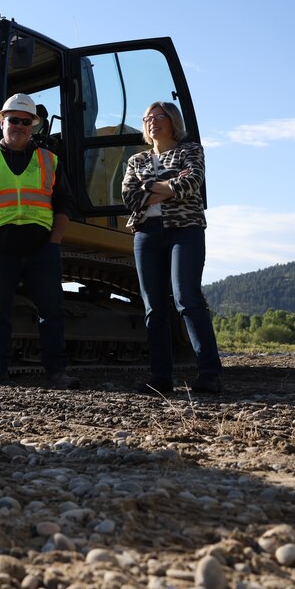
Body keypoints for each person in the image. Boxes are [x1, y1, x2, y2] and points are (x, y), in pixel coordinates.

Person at [0, 93, 79, 389]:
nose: (20, 126)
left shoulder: (49, 161)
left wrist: (54, 242)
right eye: (14, 120)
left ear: (33, 126)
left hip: (42, 249)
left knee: (51, 311)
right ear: (3, 123)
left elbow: (64, 204)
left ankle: (56, 373)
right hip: (0, 250)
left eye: (26, 121)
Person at [121, 101, 222, 394]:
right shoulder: (135, 160)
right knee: (154, 307)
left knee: (187, 298)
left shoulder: (190, 151)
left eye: (158, 116)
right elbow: (130, 198)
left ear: (172, 120)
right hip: (146, 234)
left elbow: (191, 183)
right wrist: (168, 186)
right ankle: (161, 378)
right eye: (147, 118)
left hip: (185, 231)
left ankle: (209, 374)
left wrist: (150, 187)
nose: (152, 121)